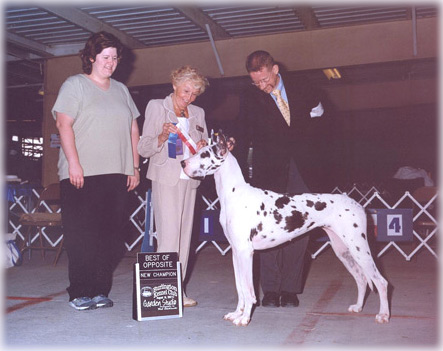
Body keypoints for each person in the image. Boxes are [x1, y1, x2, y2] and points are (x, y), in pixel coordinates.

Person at [236, 50, 334, 308]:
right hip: (268, 172)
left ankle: (290, 289)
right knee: (268, 229)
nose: (261, 86)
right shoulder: (249, 97)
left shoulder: (304, 88)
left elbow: (323, 122)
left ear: (275, 69)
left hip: (304, 169)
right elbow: (243, 132)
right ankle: (270, 290)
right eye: (255, 82)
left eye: (265, 80)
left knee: (299, 228)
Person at [52, 31, 141, 311]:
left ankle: (100, 290)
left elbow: (132, 128)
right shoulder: (75, 85)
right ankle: (80, 291)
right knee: (82, 236)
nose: (110, 62)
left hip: (116, 173)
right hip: (82, 174)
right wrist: (74, 163)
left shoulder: (121, 90)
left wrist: (134, 166)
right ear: (91, 57)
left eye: (114, 57)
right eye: (105, 57)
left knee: (111, 237)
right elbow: (63, 125)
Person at [137, 65, 209, 307]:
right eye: (185, 91)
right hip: (165, 176)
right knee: (168, 236)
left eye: (194, 93)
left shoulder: (198, 112)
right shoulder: (157, 106)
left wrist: (202, 146)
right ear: (175, 85)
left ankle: (178, 290)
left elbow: (204, 148)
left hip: (190, 180)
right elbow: (143, 147)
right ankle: (162, 293)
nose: (189, 97)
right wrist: (160, 136)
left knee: (185, 237)